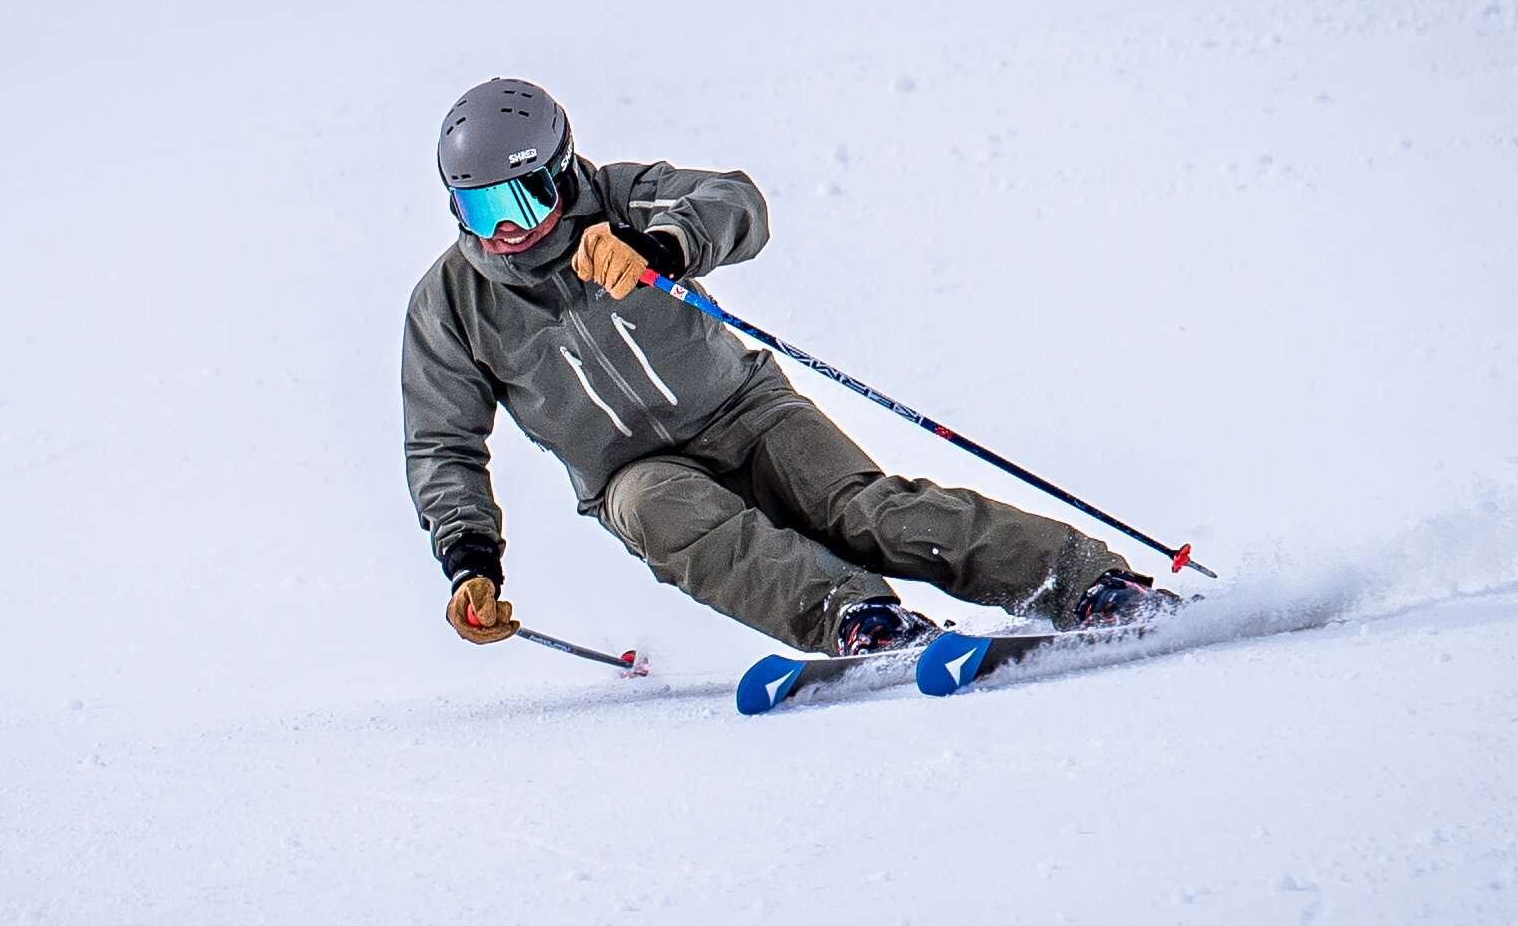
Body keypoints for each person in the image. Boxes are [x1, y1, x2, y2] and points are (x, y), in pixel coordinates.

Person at [401, 78, 1168, 656]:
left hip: (745, 408)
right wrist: (471, 561)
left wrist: (663, 243)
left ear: (563, 170)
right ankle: (858, 618)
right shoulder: (451, 304)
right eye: (481, 210)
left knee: (864, 512)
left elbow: (736, 202)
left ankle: (1085, 583)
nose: (506, 229)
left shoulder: (621, 200)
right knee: (674, 517)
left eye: (524, 197)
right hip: (632, 472)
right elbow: (443, 446)